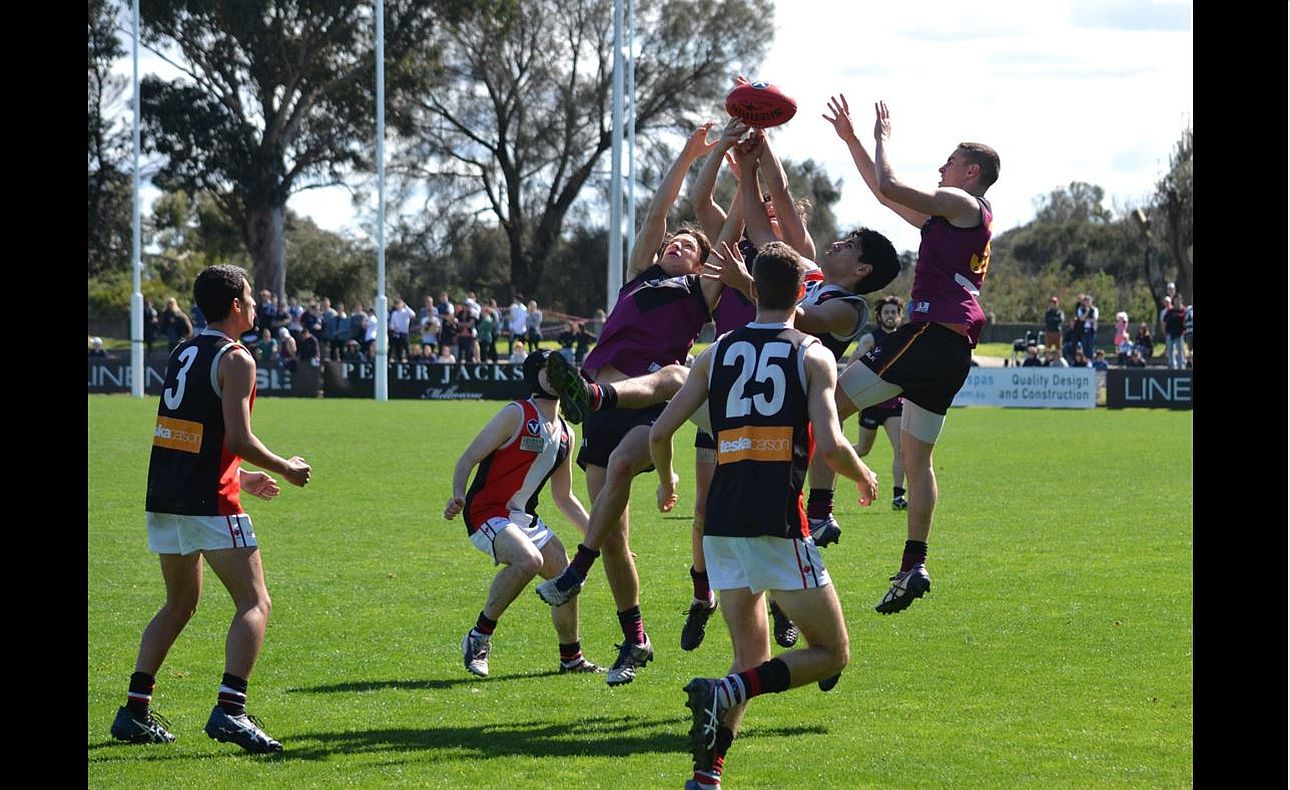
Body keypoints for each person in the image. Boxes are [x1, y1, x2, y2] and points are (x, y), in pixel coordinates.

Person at [646, 243, 878, 790]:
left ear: (753, 288)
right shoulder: (813, 353)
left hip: (721, 523)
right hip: (776, 519)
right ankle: (724, 696)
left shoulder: (717, 351)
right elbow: (834, 443)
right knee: (830, 653)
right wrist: (864, 476)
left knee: (751, 658)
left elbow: (660, 433)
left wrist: (667, 479)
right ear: (802, 293)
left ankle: (707, 774)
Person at [534, 122, 729, 687]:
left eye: (689, 246)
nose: (677, 245)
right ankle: (635, 638)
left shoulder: (699, 291)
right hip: (599, 411)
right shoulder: (636, 281)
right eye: (676, 242)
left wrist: (737, 162)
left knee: (674, 374)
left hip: (649, 406)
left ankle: (577, 573)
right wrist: (688, 154)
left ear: (702, 263)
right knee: (613, 532)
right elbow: (654, 216)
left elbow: (729, 231)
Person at [110, 264, 311, 753]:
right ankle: (231, 711)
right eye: (251, 295)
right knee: (255, 602)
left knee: (179, 603)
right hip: (210, 505)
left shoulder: (184, 351)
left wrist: (240, 476)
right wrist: (285, 467)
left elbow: (187, 437)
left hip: (166, 495)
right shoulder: (236, 358)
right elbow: (238, 438)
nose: (257, 304)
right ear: (237, 305)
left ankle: (133, 711)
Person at [823, 93, 999, 615]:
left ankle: (818, 512)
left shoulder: (965, 205)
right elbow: (884, 197)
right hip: (952, 351)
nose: (941, 167)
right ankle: (914, 562)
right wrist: (853, 140)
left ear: (969, 172)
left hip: (929, 338)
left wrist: (881, 139)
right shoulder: (948, 222)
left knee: (824, 403)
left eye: (949, 161)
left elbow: (891, 184)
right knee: (917, 459)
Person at [444, 350, 603, 678]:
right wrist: (459, 494)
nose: (557, 375)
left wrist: (601, 537)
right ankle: (478, 637)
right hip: (486, 512)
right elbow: (467, 459)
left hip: (521, 518)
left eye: (561, 369)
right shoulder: (516, 414)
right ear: (536, 377)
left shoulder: (565, 433)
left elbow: (564, 497)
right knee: (529, 560)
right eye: (549, 370)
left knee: (567, 575)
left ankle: (571, 658)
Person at [849, 295, 909, 511]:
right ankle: (833, 459)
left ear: (900, 316)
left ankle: (898, 497)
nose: (891, 316)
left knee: (902, 450)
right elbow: (852, 365)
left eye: (894, 312)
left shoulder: (905, 338)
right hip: (872, 404)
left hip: (895, 403)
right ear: (879, 316)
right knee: (863, 449)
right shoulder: (870, 340)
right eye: (887, 313)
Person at [388, 297, 416, 362]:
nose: (397, 305)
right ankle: (399, 361)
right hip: (397, 333)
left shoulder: (406, 312)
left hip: (404, 333)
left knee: (407, 349)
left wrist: (406, 306)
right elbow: (391, 324)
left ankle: (410, 362)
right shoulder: (394, 313)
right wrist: (393, 327)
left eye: (399, 303)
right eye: (396, 304)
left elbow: (413, 314)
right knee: (398, 350)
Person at [1162, 297, 1187, 369]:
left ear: (1181, 300)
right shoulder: (1170, 311)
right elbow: (1164, 322)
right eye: (1175, 300)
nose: (1177, 302)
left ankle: (1181, 366)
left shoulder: (1183, 310)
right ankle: (1172, 365)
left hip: (1179, 334)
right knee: (1170, 350)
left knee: (1180, 350)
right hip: (1170, 333)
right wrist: (1165, 333)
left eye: (1178, 300)